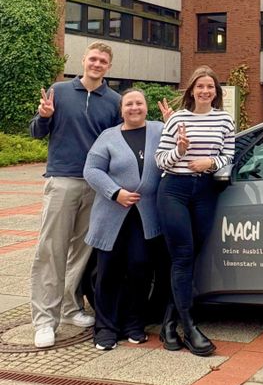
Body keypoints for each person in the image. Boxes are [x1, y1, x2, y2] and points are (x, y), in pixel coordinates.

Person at [29, 42, 121, 348]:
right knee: (51, 251)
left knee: (81, 253)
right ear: (83, 60)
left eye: (103, 61)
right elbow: (36, 132)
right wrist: (44, 116)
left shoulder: (114, 101)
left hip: (96, 185)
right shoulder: (59, 91)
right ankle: (45, 320)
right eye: (93, 58)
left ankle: (70, 308)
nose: (97, 64)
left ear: (109, 66)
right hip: (62, 180)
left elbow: (118, 143)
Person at [155, 66, 235, 356]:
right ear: (191, 90)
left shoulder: (225, 120)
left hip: (204, 191)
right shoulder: (178, 119)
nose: (205, 91)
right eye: (200, 86)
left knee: (190, 257)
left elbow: (229, 155)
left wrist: (209, 163)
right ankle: (190, 328)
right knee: (183, 255)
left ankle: (168, 323)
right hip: (174, 190)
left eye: (210, 87)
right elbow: (160, 160)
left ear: (216, 92)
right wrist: (180, 150)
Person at [83, 89, 169, 350]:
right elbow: (91, 170)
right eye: (129, 104)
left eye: (139, 103)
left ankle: (134, 324)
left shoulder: (160, 130)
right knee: (108, 272)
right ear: (121, 110)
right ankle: (105, 328)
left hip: (145, 216)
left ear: (146, 107)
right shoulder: (108, 136)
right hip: (112, 214)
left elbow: (180, 150)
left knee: (140, 269)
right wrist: (115, 192)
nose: (134, 108)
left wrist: (175, 124)